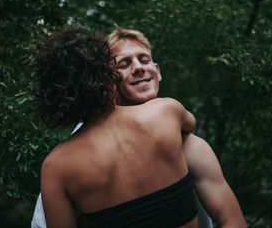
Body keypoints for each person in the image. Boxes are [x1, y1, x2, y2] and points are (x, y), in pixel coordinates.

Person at [31, 26, 247, 228]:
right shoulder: (168, 112)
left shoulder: (56, 168)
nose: (138, 68)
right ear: (109, 76)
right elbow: (187, 120)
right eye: (123, 64)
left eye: (144, 59)